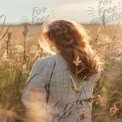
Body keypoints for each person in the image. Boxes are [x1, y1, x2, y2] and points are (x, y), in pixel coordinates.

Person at [22, 19, 101, 122]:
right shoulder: (93, 64)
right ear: (78, 37)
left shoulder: (44, 64)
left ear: (51, 39)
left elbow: (30, 102)